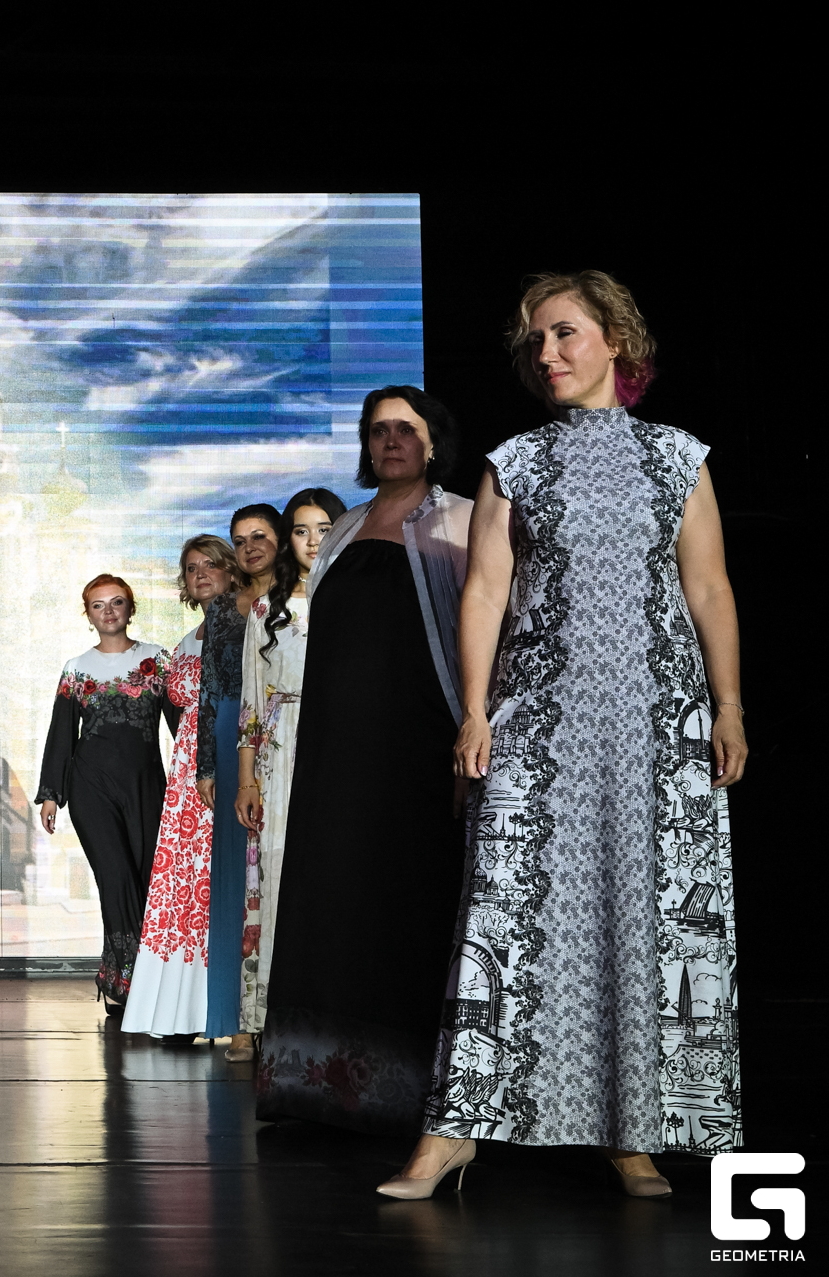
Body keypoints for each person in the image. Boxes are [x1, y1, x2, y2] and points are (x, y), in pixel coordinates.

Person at [385, 273, 746, 1200]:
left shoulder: (677, 456)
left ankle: (633, 1132)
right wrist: (475, 710)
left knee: (641, 914)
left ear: (615, 340)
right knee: (503, 915)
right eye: (535, 341)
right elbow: (484, 592)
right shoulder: (516, 461)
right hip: (542, 721)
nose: (546, 354)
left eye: (564, 334)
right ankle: (453, 1131)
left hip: (656, 720)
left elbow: (707, 586)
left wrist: (729, 704)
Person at [256, 385, 471, 1137]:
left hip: (418, 745)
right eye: (378, 430)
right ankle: (317, 1086)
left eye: (406, 428)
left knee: (405, 901)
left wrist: (470, 734)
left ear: (434, 440)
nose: (391, 441)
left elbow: (482, 633)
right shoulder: (345, 526)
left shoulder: (461, 518)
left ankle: (411, 1095)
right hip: (335, 751)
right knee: (331, 900)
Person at [230, 487, 346, 1061]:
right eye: (301, 530)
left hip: (342, 749)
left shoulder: (357, 600)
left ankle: (333, 1019)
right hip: (280, 753)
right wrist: (247, 780)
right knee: (273, 878)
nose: (313, 540)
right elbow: (252, 703)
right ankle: (258, 1019)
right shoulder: (265, 612)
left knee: (335, 877)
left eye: (324, 528)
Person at [36, 575, 181, 1007]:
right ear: (88, 615)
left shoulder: (157, 660)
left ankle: (131, 975)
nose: (109, 611)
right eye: (98, 605)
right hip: (91, 789)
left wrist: (202, 776)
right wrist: (51, 794)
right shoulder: (77, 668)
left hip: (147, 787)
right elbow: (62, 733)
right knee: (115, 879)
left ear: (130, 608)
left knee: (148, 879)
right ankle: (131, 984)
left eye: (117, 602)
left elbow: (182, 725)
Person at [122, 536, 239, 1037]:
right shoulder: (187, 641)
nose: (201, 574)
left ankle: (230, 1009)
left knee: (222, 874)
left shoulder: (247, 624)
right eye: (192, 568)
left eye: (211, 564)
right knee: (184, 882)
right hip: (188, 770)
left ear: (232, 571)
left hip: (229, 755)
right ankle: (181, 1011)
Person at [193, 507, 280, 1042]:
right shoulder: (224, 607)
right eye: (239, 539)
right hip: (230, 730)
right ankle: (237, 1020)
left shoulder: (301, 597)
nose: (249, 546)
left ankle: (283, 1014)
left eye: (260, 536)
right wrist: (206, 764)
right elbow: (208, 686)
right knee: (234, 872)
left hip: (286, 723)